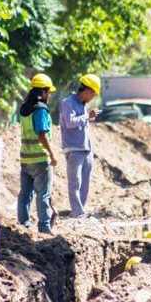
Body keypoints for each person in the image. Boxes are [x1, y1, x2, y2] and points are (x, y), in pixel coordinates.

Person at [17, 73, 59, 234]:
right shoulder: (40, 110)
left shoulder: (24, 109)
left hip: (26, 158)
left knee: (25, 193)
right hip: (40, 159)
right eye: (48, 92)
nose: (49, 95)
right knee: (43, 193)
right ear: (43, 92)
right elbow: (41, 134)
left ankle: (23, 223)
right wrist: (53, 155)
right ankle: (44, 226)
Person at [60, 74, 101, 218]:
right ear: (87, 90)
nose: (93, 98)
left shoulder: (83, 105)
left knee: (85, 181)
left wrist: (88, 117)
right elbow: (70, 123)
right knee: (75, 182)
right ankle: (77, 212)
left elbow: (82, 123)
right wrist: (86, 117)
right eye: (93, 94)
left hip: (85, 148)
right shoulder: (68, 103)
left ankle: (80, 210)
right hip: (74, 148)